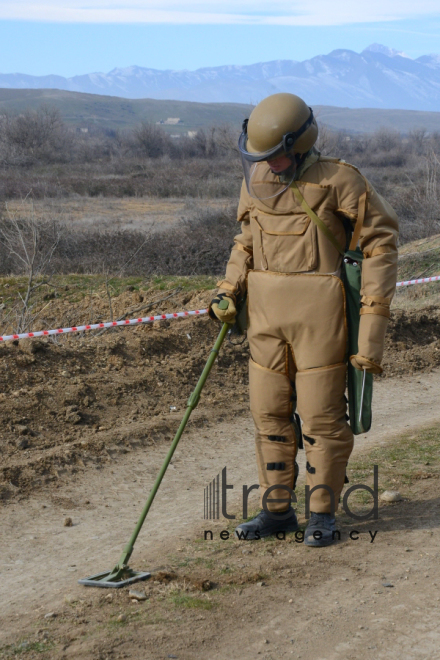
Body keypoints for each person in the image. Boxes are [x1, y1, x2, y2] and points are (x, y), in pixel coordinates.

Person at [209, 93, 398, 547]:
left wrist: (370, 332)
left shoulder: (340, 180)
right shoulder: (255, 179)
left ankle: (322, 515)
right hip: (265, 320)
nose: (269, 164)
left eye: (276, 155)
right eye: (262, 156)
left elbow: (379, 247)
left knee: (320, 418)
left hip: (322, 320)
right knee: (268, 414)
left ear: (300, 142)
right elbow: (245, 242)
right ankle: (276, 513)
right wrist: (227, 290)